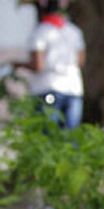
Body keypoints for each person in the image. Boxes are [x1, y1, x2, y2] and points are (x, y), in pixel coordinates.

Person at [13, 0, 85, 129]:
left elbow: (38, 66)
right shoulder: (74, 31)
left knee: (49, 135)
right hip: (73, 89)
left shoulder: (40, 32)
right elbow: (80, 61)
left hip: (48, 88)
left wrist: (19, 65)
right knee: (72, 136)